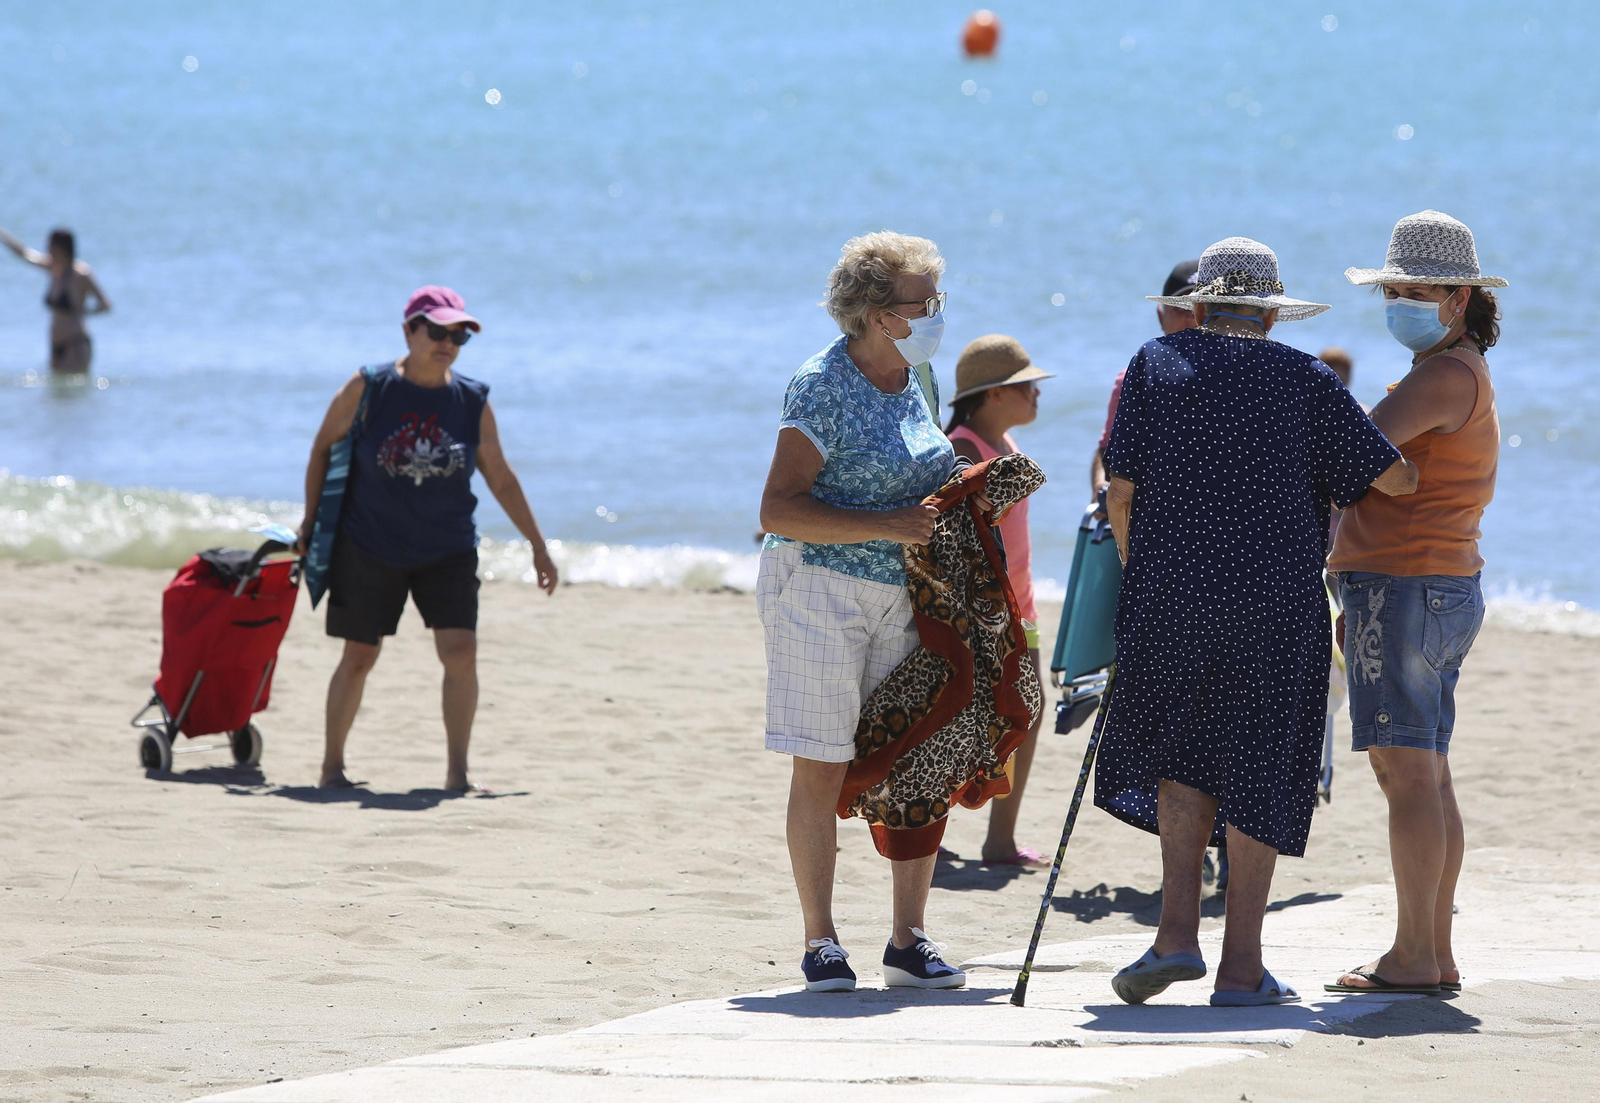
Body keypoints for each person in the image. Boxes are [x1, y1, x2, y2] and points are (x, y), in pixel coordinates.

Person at [1095, 237, 1418, 1007]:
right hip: (1275, 606)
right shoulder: (1304, 377)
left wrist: (1143, 581)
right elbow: (1393, 480)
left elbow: (1120, 491)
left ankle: (1176, 934)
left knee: (1182, 757)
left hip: (1171, 597)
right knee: (1262, 767)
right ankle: (1241, 967)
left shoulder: (1154, 362)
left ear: (1200, 305)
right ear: (1270, 315)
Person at [757, 231, 967, 993]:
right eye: (924, 303)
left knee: (913, 760)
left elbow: (929, 469)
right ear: (877, 313)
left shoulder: (921, 376)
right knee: (821, 760)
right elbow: (780, 507)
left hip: (904, 594)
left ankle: (908, 939)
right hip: (818, 586)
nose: (935, 314)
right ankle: (820, 940)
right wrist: (887, 523)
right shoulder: (819, 386)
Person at [1325, 211, 1505, 996]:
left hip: (1403, 583)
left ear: (1459, 297)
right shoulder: (1457, 367)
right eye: (1392, 288)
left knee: (1407, 776)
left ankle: (1411, 953)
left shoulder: (1440, 374)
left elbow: (1350, 451)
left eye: (1416, 289)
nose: (1400, 299)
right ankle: (1432, 951)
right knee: (1428, 775)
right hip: (1440, 582)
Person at [297, 286, 559, 792]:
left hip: (448, 547)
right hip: (369, 544)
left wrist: (538, 545)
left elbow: (500, 476)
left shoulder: (471, 400)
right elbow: (321, 450)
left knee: (461, 651)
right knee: (359, 655)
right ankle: (332, 768)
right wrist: (311, 522)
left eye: (458, 335)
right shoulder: (367, 387)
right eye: (437, 331)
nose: (448, 343)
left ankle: (458, 775)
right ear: (408, 331)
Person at [944, 334, 1054, 866]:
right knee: (954, 718)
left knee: (1028, 711)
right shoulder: (963, 448)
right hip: (978, 613)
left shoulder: (1004, 444)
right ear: (991, 395)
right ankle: (932, 833)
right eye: (1025, 386)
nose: (1036, 394)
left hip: (1019, 607)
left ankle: (999, 839)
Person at [1088, 259, 1198, 501]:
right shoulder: (1135, 377)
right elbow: (1107, 449)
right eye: (1180, 309)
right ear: (1161, 315)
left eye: (1198, 309)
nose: (1191, 319)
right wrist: (1100, 487)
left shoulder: (1237, 378)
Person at [0, 226, 110, 374]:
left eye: (50, 245)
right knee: (56, 394)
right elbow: (23, 252)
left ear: (60, 247)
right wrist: (2, 234)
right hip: (55, 345)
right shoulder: (53, 269)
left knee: (74, 394)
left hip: (75, 344)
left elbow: (105, 305)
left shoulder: (82, 274)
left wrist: (82, 311)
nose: (47, 248)